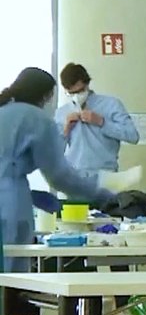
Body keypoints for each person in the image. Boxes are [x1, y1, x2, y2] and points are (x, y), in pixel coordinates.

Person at [0, 68, 115, 273]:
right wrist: (102, 192)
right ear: (45, 95)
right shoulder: (36, 119)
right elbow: (59, 176)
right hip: (9, 204)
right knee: (11, 276)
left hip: (11, 193)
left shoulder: (4, 111)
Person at [55, 62, 139, 175]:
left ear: (87, 84)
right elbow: (54, 153)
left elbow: (133, 136)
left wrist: (102, 122)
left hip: (105, 175)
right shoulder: (61, 113)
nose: (76, 96)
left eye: (80, 91)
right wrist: (65, 131)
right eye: (71, 93)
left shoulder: (111, 104)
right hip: (74, 177)